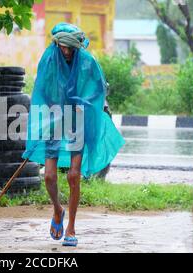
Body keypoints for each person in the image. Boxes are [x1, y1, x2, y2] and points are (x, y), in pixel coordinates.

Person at [22, 23, 125, 247]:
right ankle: (58, 209)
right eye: (63, 47)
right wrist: (55, 108)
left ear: (77, 46)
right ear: (57, 44)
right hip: (55, 118)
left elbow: (97, 91)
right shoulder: (49, 60)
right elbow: (42, 90)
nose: (66, 52)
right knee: (49, 176)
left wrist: (81, 104)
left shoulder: (88, 63)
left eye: (70, 48)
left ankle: (71, 227)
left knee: (73, 175)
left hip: (78, 120)